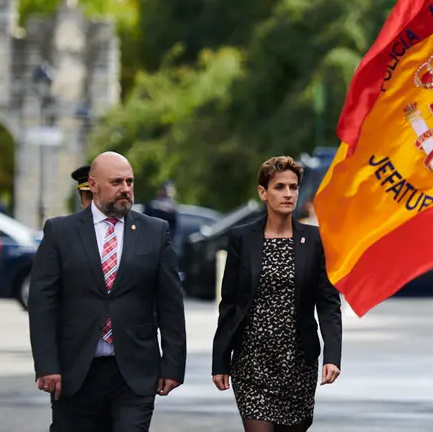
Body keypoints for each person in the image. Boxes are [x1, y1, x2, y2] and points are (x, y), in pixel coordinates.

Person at [27, 151, 187, 431]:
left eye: (129, 181)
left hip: (135, 371)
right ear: (93, 184)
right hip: (75, 371)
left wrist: (172, 365)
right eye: (116, 182)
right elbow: (43, 304)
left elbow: (170, 303)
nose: (125, 189)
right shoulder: (60, 232)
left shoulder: (155, 231)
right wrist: (46, 364)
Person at [211, 156, 342, 432]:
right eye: (280, 187)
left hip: (298, 362)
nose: (288, 194)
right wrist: (220, 360)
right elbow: (230, 304)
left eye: (293, 188)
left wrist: (333, 354)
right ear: (263, 192)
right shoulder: (242, 239)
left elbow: (328, 302)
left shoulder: (314, 240)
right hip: (252, 361)